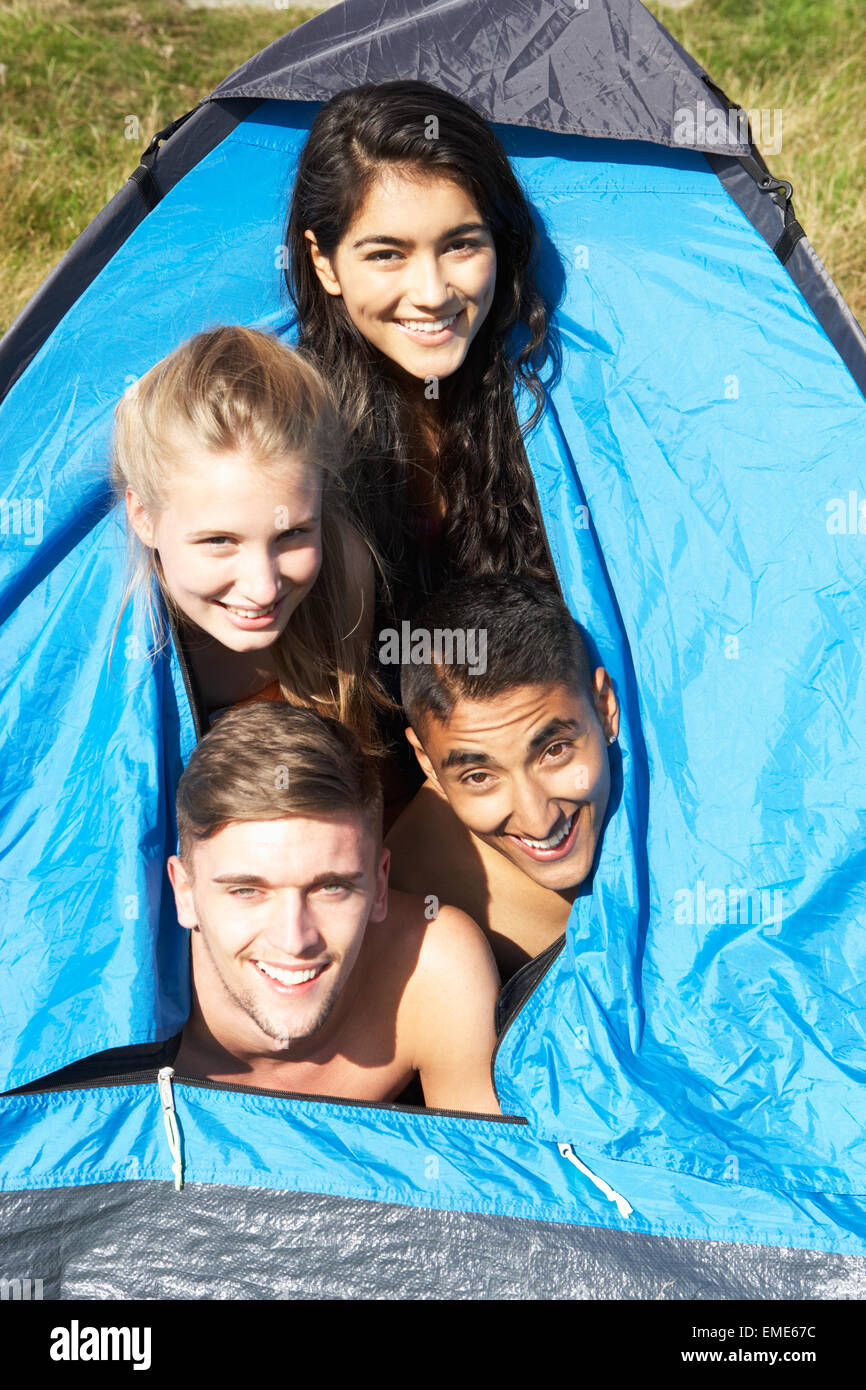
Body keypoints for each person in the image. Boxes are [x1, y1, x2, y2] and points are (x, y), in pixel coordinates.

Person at [284, 79, 559, 617]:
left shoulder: (546, 392)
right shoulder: (293, 425)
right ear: (324, 263)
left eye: (461, 244)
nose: (432, 295)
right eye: (387, 255)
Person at [166, 702, 501, 1111]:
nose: (294, 940)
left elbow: (479, 1170)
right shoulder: (115, 999)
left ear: (379, 885)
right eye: (247, 891)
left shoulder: (433, 970)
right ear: (184, 892)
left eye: (330, 888)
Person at [111, 324, 384, 746]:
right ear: (143, 517)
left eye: (292, 533)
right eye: (219, 541)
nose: (262, 588)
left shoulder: (342, 570)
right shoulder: (110, 631)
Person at [385, 576, 620, 981]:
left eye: (554, 751)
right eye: (479, 776)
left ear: (604, 708)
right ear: (427, 763)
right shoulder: (408, 903)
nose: (538, 819)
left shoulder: (683, 772)